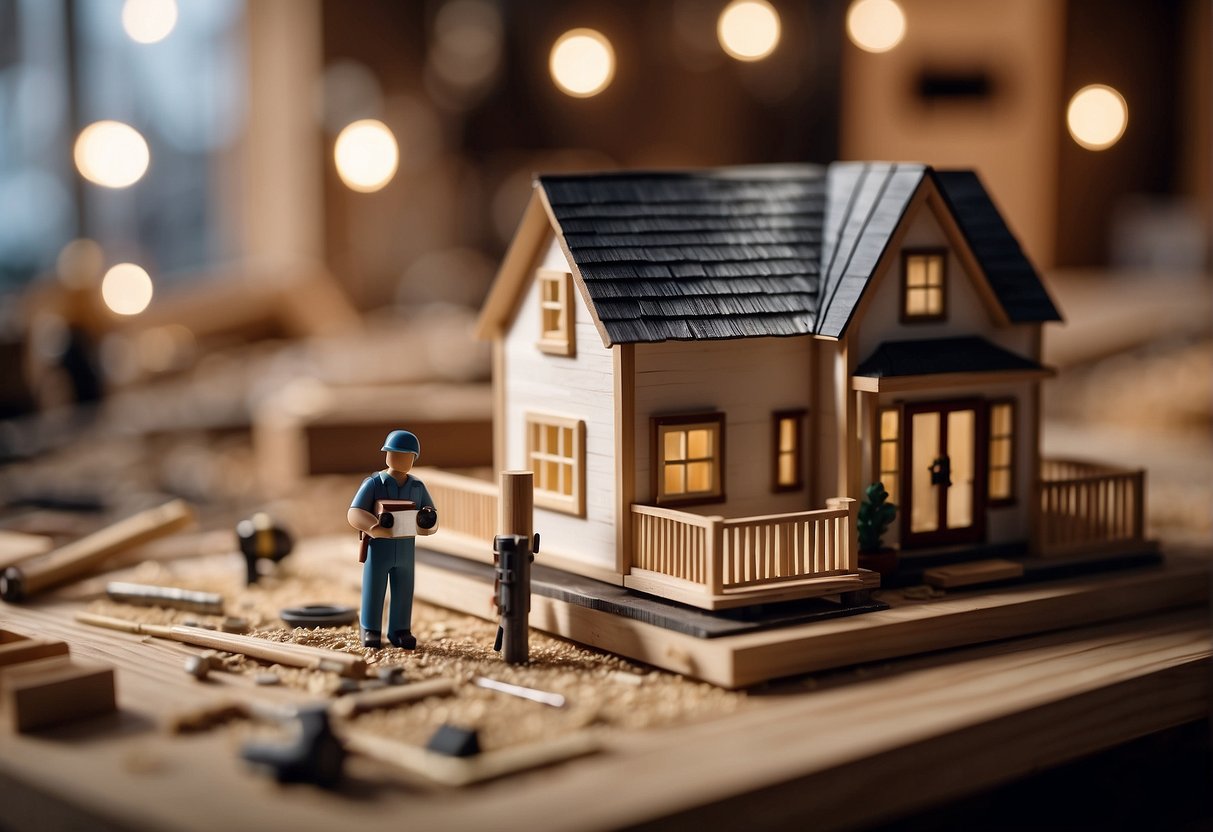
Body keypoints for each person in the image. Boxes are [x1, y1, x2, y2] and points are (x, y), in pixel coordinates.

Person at [347, 430, 437, 649]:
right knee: (374, 589)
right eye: (395, 454)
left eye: (407, 456)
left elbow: (432, 515)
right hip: (379, 549)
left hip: (406, 549)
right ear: (387, 455)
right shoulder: (374, 484)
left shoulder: (417, 487)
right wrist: (374, 526)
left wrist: (426, 520)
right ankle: (370, 629)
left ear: (414, 459)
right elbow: (354, 512)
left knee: (404, 591)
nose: (401, 459)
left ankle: (399, 629)